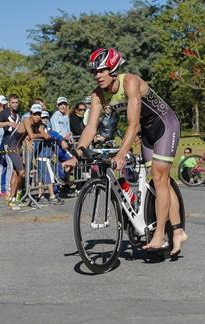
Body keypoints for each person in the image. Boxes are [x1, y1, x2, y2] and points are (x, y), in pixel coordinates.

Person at [63, 47, 188, 256]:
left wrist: (122, 153)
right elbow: (90, 128)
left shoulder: (130, 82)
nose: (97, 76)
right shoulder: (98, 94)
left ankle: (160, 235)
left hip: (165, 125)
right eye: (94, 72)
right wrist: (75, 157)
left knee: (159, 178)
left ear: (112, 68)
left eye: (101, 71)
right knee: (160, 180)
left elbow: (133, 124)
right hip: (147, 133)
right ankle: (179, 231)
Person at [5, 106, 53, 209]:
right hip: (12, 147)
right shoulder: (26, 120)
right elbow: (32, 135)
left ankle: (15, 198)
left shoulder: (38, 123)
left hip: (19, 148)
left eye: (39, 114)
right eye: (35, 114)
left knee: (16, 174)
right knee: (21, 173)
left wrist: (30, 141)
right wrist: (43, 136)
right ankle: (12, 198)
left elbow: (41, 134)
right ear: (31, 114)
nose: (37, 116)